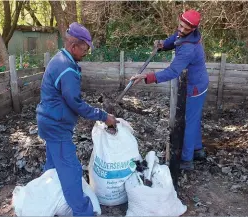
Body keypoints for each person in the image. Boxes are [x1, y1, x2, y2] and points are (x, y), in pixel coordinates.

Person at [36, 22, 118, 216]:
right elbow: (76, 103)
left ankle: (46, 200)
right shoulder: (67, 70)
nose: (86, 53)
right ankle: (84, 212)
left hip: (48, 121)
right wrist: (103, 116)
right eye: (84, 49)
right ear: (74, 46)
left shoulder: (60, 59)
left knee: (53, 166)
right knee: (71, 172)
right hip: (56, 126)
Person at [131, 10, 208, 170]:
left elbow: (173, 71)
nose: (181, 29)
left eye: (185, 29)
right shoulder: (185, 35)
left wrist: (147, 77)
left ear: (193, 29)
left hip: (195, 87)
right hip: (196, 82)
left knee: (188, 122)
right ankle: (198, 150)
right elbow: (175, 39)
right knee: (193, 119)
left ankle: (186, 161)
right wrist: (163, 45)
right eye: (180, 25)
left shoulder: (189, 49)